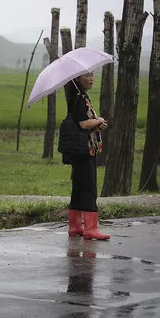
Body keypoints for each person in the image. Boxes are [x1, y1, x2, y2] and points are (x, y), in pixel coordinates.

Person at [66, 72, 110, 240]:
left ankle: (75, 227)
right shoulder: (79, 98)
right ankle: (91, 228)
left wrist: (97, 124)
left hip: (81, 150)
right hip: (84, 150)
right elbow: (83, 123)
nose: (92, 78)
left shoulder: (80, 96)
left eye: (92, 75)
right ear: (77, 78)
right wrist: (98, 120)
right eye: (87, 76)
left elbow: (84, 123)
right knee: (89, 187)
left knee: (79, 187)